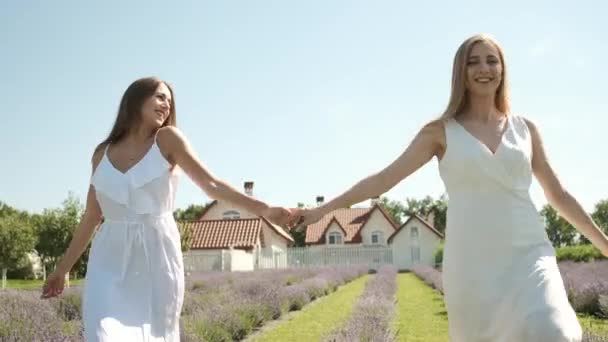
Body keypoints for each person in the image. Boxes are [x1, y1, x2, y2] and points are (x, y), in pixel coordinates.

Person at [294, 34, 608, 341]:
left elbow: (559, 195)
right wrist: (321, 211)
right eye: (474, 62)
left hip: (529, 253)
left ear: (502, 69)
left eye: (492, 61)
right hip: (472, 264)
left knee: (555, 331)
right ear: (461, 73)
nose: (484, 69)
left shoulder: (526, 129)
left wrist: (604, 244)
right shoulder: (440, 133)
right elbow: (383, 179)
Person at [41, 77, 293, 341]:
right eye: (160, 97)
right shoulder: (101, 154)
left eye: (170, 102)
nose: (167, 106)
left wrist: (263, 209)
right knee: (100, 334)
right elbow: (92, 215)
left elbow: (211, 184)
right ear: (136, 100)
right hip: (109, 259)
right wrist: (63, 269)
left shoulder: (167, 139)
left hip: (156, 257)